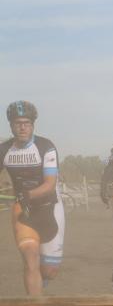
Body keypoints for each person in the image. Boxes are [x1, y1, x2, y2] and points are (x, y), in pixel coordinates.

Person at [0, 101, 65, 295]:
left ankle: (39, 285)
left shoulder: (46, 147)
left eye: (26, 122)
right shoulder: (4, 150)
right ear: (10, 125)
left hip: (49, 208)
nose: (22, 127)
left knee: (49, 271)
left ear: (33, 125)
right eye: (17, 122)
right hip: (24, 211)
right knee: (30, 260)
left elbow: (49, 185)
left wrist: (26, 194)